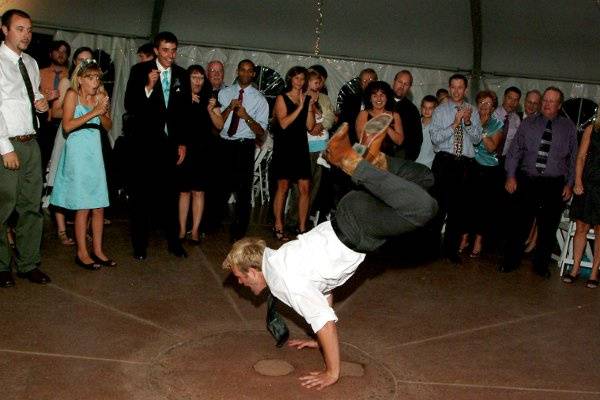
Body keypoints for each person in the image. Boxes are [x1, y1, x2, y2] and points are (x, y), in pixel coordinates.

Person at [222, 120, 437, 390]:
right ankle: (373, 160)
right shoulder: (277, 257)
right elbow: (322, 289)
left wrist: (331, 372)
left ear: (252, 270)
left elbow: (325, 322)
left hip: (358, 227)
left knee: (423, 208)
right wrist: (317, 337)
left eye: (240, 277)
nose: (240, 283)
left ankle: (354, 162)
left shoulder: (282, 281)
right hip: (351, 212)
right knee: (425, 179)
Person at [124, 31, 191, 260]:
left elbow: (184, 114)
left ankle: (174, 243)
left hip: (170, 145)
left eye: (173, 50)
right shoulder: (139, 71)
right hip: (144, 144)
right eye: (165, 50)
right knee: (141, 197)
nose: (170, 55)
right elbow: (130, 105)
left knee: (170, 197)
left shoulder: (182, 74)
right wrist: (149, 88)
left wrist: (182, 142)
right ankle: (140, 246)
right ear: (155, 50)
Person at [501, 87, 577, 277]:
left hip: (554, 184)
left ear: (559, 105)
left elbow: (574, 158)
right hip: (528, 180)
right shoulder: (528, 123)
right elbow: (514, 151)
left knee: (548, 227)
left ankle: (541, 266)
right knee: (519, 224)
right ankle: (511, 261)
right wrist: (510, 175)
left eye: (552, 101)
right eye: (545, 100)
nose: (546, 104)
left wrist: (569, 184)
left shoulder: (568, 128)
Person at [0, 9, 51, 287]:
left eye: (29, 30)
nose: (26, 35)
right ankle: (1, 266)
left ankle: (28, 263)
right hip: (6, 144)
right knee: (3, 209)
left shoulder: (30, 62)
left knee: (32, 207)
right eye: (20, 29)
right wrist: (4, 148)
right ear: (4, 30)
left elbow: (31, 94)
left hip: (31, 142)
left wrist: (41, 102)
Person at [50, 59, 114, 269]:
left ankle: (98, 250)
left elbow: (108, 125)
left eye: (97, 77)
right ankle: (82, 252)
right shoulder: (72, 95)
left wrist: (102, 111)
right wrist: (93, 112)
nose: (95, 82)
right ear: (80, 79)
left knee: (99, 205)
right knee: (83, 206)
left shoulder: (101, 96)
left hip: (94, 151)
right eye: (90, 77)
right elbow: (67, 126)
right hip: (77, 151)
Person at [45, 47, 95, 247]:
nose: (85, 64)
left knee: (85, 183)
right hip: (67, 136)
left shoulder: (95, 85)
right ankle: (62, 230)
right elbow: (55, 112)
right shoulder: (67, 83)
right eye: (82, 60)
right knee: (61, 179)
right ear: (74, 62)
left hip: (87, 138)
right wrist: (76, 111)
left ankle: (83, 230)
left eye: (89, 60)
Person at [430, 74, 482, 262]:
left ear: (466, 89)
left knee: (458, 210)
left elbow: (477, 139)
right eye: (453, 87)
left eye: (461, 87)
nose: (457, 91)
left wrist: (467, 122)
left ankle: (451, 251)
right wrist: (454, 124)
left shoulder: (473, 111)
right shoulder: (440, 111)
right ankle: (432, 249)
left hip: (464, 164)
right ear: (449, 88)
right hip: (444, 161)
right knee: (438, 207)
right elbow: (435, 138)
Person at [217, 59, 268, 242]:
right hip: (224, 143)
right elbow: (217, 124)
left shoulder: (259, 99)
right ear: (237, 71)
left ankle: (238, 232)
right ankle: (212, 223)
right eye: (242, 70)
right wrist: (229, 108)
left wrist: (246, 117)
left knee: (243, 191)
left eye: (249, 71)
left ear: (253, 74)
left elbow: (261, 131)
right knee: (219, 186)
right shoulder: (224, 94)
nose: (245, 74)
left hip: (244, 145)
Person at [177, 65, 223, 244]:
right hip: (185, 149)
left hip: (203, 150)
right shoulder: (180, 97)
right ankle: (181, 229)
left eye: (200, 78)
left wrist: (210, 110)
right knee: (184, 191)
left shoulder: (210, 99)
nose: (197, 81)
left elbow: (219, 125)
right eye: (194, 77)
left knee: (199, 192)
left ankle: (195, 230)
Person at [286, 68, 335, 229]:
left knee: (313, 186)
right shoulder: (299, 96)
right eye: (314, 81)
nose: (317, 84)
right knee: (298, 186)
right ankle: (293, 219)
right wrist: (309, 126)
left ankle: (304, 219)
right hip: (302, 146)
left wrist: (318, 125)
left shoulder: (325, 99)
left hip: (319, 147)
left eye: (319, 81)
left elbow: (330, 119)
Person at [271, 66, 316, 240]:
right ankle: (278, 225)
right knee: (283, 187)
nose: (299, 82)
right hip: (285, 146)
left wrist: (309, 107)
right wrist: (300, 107)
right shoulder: (282, 98)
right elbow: (283, 123)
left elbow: (310, 126)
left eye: (302, 79)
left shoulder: (306, 98)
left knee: (305, 188)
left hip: (300, 146)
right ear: (290, 79)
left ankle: (302, 228)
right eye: (296, 78)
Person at [458, 90, 504, 257]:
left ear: (493, 107)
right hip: (470, 165)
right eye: (482, 102)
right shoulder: (469, 118)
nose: (484, 106)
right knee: (466, 205)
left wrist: (480, 132)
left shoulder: (497, 123)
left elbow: (492, 147)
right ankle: (463, 238)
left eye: (488, 103)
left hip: (488, 169)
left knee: (483, 208)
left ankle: (478, 241)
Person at [562, 113, 600, 288]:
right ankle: (575, 268)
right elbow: (581, 156)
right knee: (581, 228)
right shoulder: (591, 129)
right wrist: (577, 181)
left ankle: (594, 272)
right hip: (587, 184)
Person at [38, 40, 70, 170]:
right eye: (58, 51)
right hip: (43, 123)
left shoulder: (71, 76)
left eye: (65, 52)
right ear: (51, 53)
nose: (61, 54)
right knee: (42, 160)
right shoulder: (39, 73)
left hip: (63, 124)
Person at [355, 81, 404, 157]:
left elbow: (400, 141)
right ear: (370, 98)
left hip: (389, 159)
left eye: (382, 95)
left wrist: (386, 126)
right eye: (375, 95)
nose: (379, 99)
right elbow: (361, 140)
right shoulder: (363, 114)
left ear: (387, 97)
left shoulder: (395, 115)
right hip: (367, 157)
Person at [338, 68, 377, 144]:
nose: (368, 84)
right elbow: (343, 123)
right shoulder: (350, 100)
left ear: (376, 82)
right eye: (364, 81)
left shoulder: (381, 102)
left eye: (370, 81)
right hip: (352, 143)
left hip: (374, 143)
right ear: (360, 83)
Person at [391, 70, 422, 160]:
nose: (402, 86)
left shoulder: (412, 110)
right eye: (400, 82)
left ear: (409, 87)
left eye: (406, 84)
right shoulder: (381, 102)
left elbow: (417, 140)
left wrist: (407, 160)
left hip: (399, 160)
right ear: (394, 82)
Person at [495, 86, 522, 159]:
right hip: (486, 157)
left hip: (504, 159)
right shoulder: (493, 113)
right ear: (504, 98)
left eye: (515, 100)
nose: (512, 102)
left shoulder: (517, 119)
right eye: (509, 98)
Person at [415, 95, 438, 168]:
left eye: (430, 108)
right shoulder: (415, 124)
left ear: (436, 109)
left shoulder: (437, 127)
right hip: (414, 163)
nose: (427, 110)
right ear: (421, 108)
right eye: (424, 107)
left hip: (429, 165)